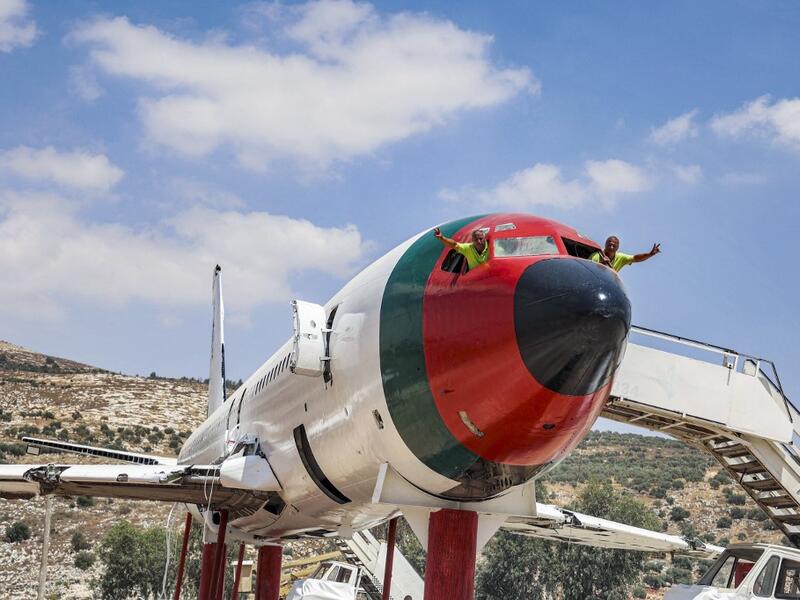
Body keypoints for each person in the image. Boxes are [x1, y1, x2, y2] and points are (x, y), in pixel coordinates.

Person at [590, 236, 660, 272]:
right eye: (609, 245)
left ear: (618, 247)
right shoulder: (596, 256)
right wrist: (601, 264)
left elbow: (635, 258)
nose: (611, 247)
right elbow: (588, 271)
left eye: (614, 246)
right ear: (605, 244)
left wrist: (649, 254)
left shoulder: (620, 257)